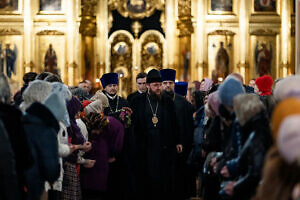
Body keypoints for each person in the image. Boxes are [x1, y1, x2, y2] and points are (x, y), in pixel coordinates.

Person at [131, 69, 180, 200]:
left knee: (163, 177)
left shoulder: (168, 101)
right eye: (156, 85)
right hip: (145, 146)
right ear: (148, 86)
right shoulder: (137, 101)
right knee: (146, 177)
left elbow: (175, 122)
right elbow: (134, 126)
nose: (159, 88)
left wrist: (177, 141)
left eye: (160, 84)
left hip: (163, 145)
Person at [160, 69, 194, 199]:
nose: (167, 85)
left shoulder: (183, 102)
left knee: (178, 174)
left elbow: (187, 125)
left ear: (174, 84)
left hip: (180, 146)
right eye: (165, 83)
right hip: (163, 145)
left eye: (170, 83)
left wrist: (184, 142)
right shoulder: (156, 100)